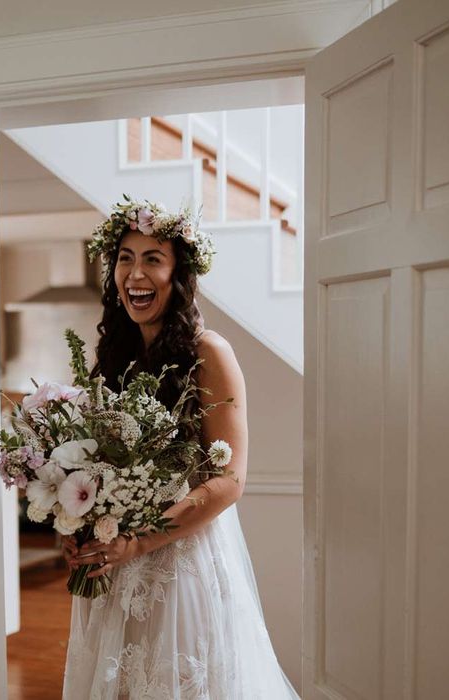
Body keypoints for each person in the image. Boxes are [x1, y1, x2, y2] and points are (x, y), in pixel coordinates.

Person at [60, 197, 300, 699]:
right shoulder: (113, 356)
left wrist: (142, 540)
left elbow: (230, 481)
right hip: (115, 572)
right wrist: (82, 531)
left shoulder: (209, 352)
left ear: (178, 273)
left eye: (153, 258)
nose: (136, 273)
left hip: (178, 564)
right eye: (125, 258)